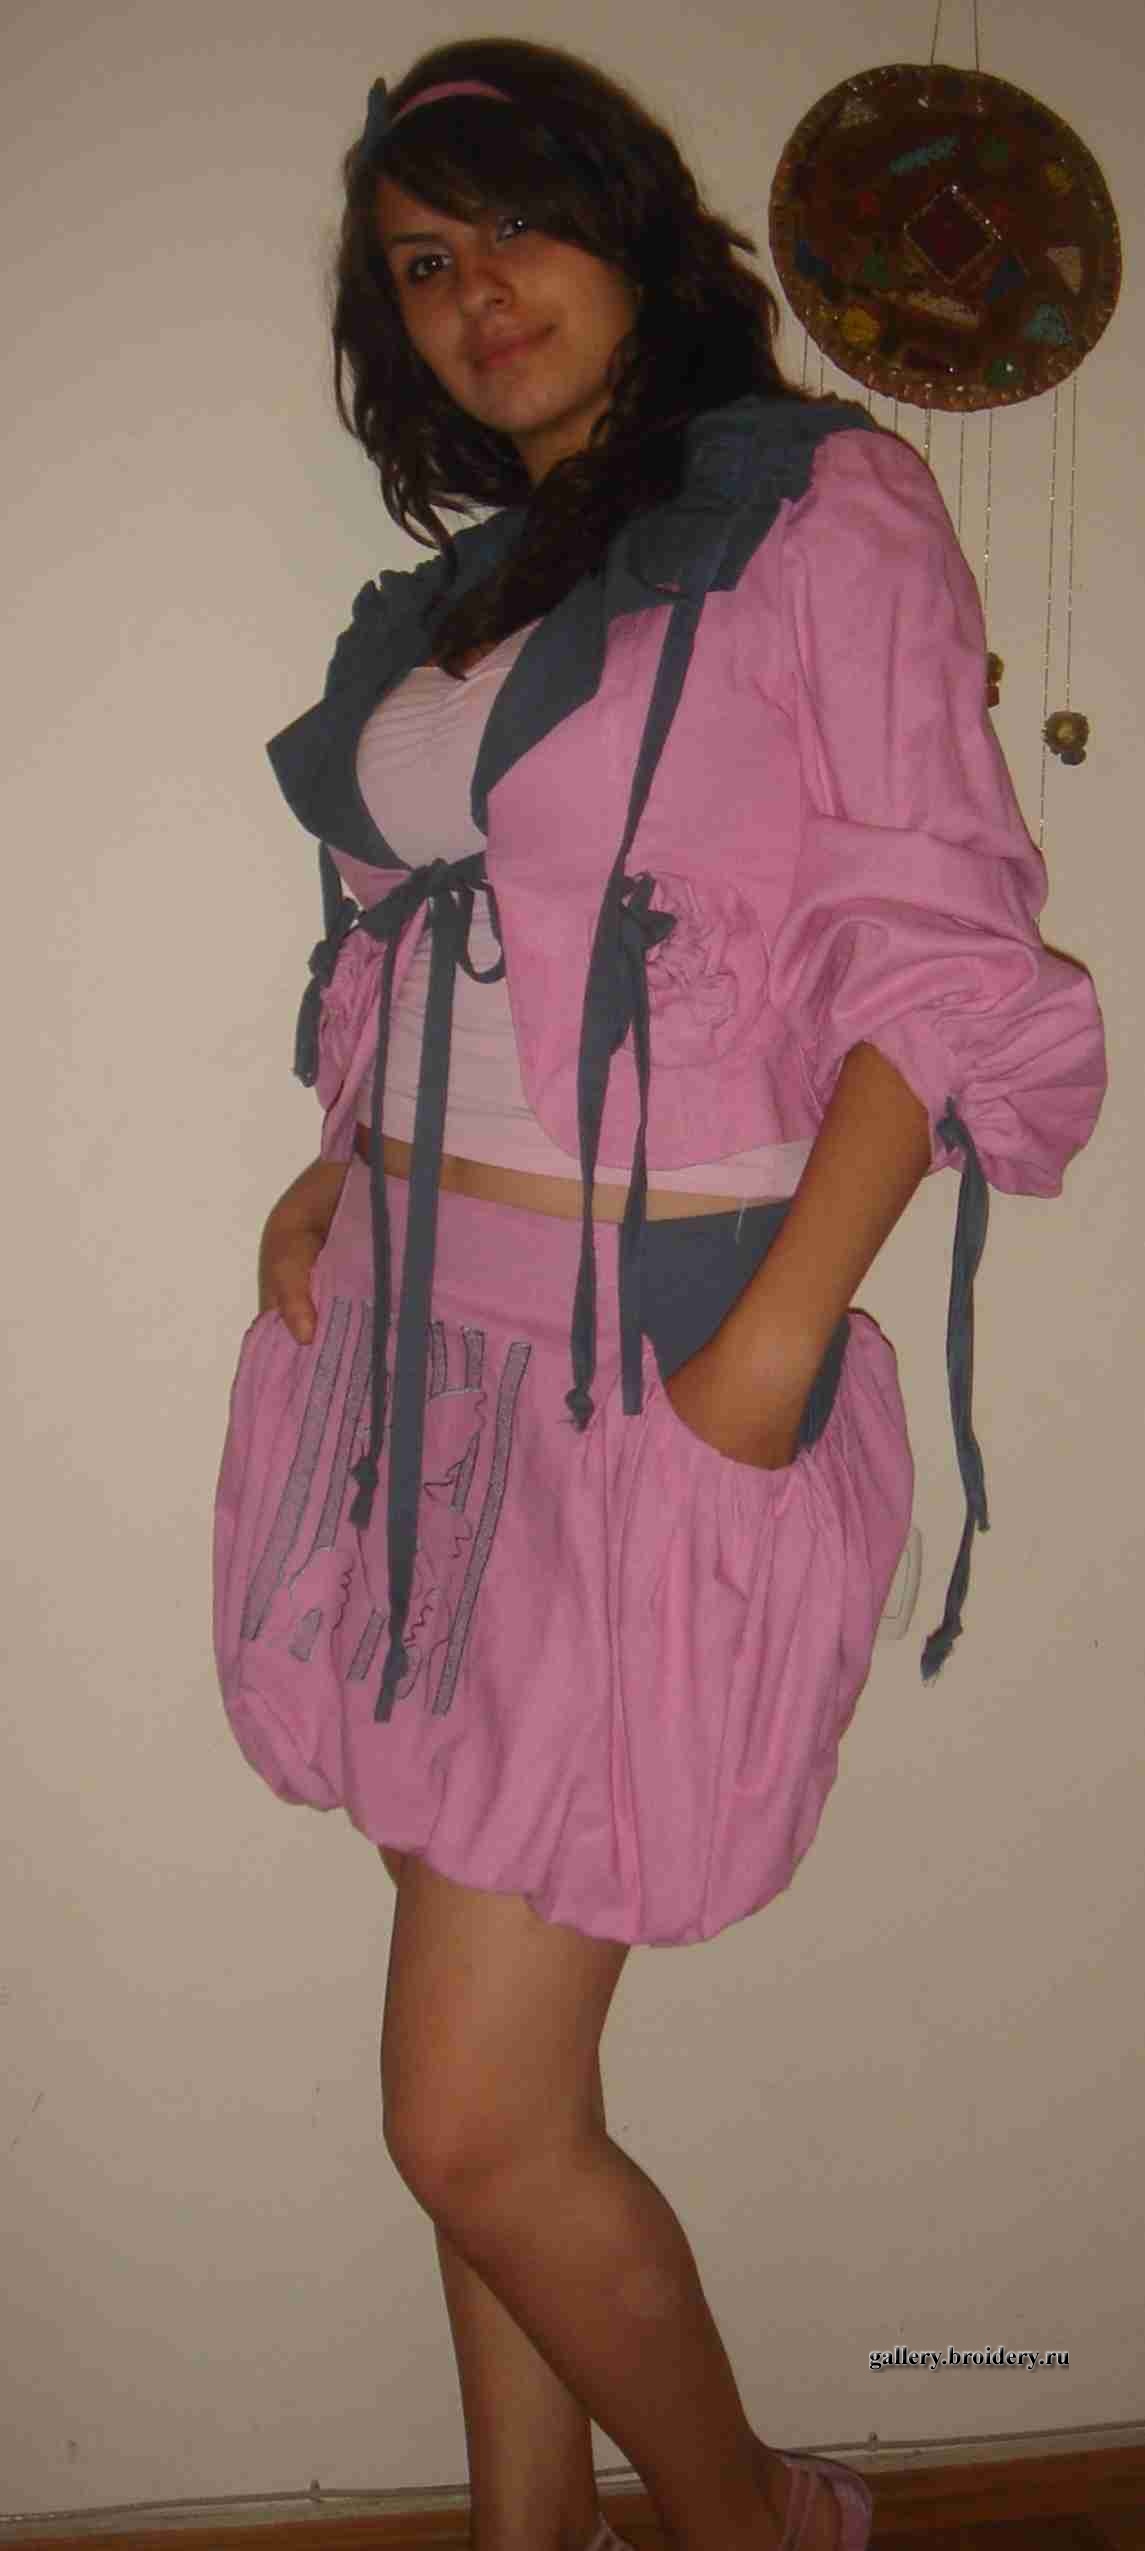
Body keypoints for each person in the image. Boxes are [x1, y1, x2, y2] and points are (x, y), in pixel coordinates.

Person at [212, 36, 1107, 2551]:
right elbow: (450, 927)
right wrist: (338, 1163)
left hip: (648, 1360)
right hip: (411, 1360)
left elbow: (936, 951)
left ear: (634, 229)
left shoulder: (822, 510)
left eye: (512, 222)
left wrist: (779, 1336)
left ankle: (752, 2520)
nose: (471, 288)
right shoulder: (486, 585)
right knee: (493, 2100)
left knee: (471, 2117)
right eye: (420, 260)